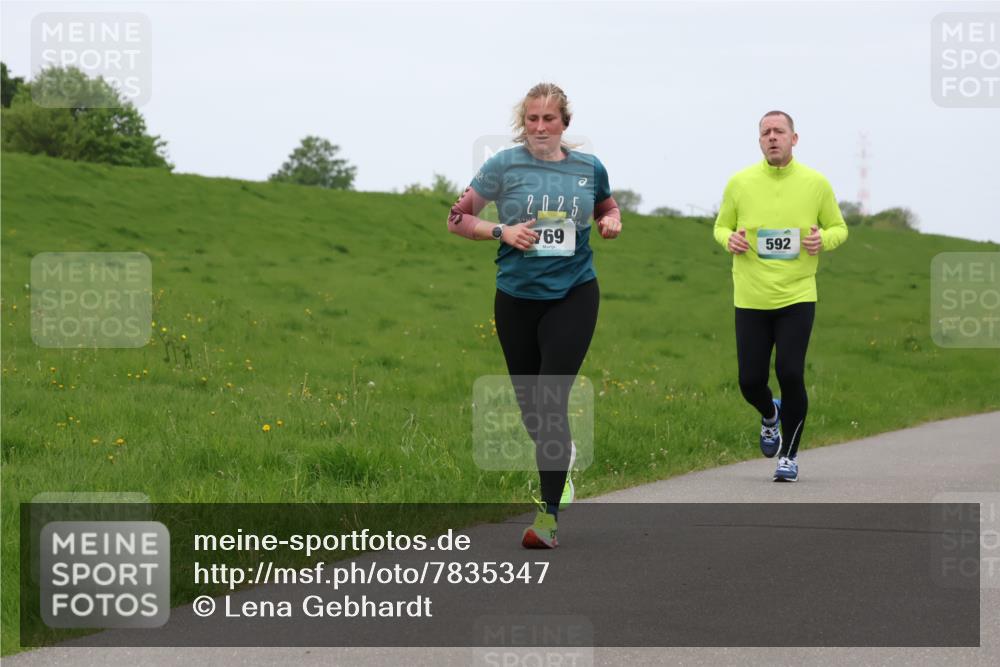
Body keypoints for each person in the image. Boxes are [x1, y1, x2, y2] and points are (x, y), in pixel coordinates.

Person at [448, 83, 621, 547]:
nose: (540, 127)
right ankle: (559, 455)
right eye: (532, 119)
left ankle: (546, 518)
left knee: (549, 399)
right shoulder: (503, 165)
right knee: (532, 410)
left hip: (574, 294)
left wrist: (611, 222)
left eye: (549, 119)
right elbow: (458, 218)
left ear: (565, 123)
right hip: (516, 298)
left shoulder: (589, 168)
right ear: (522, 124)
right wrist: (501, 230)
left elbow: (607, 205)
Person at [713, 110, 848, 482]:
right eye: (766, 132)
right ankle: (770, 415)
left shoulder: (815, 184)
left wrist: (824, 239)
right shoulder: (740, 183)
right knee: (749, 381)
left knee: (790, 372)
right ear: (759, 140)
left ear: (794, 138)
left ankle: (788, 456)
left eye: (779, 131)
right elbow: (721, 227)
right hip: (751, 297)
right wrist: (730, 240)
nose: (772, 137)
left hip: (797, 295)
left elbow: (839, 227)